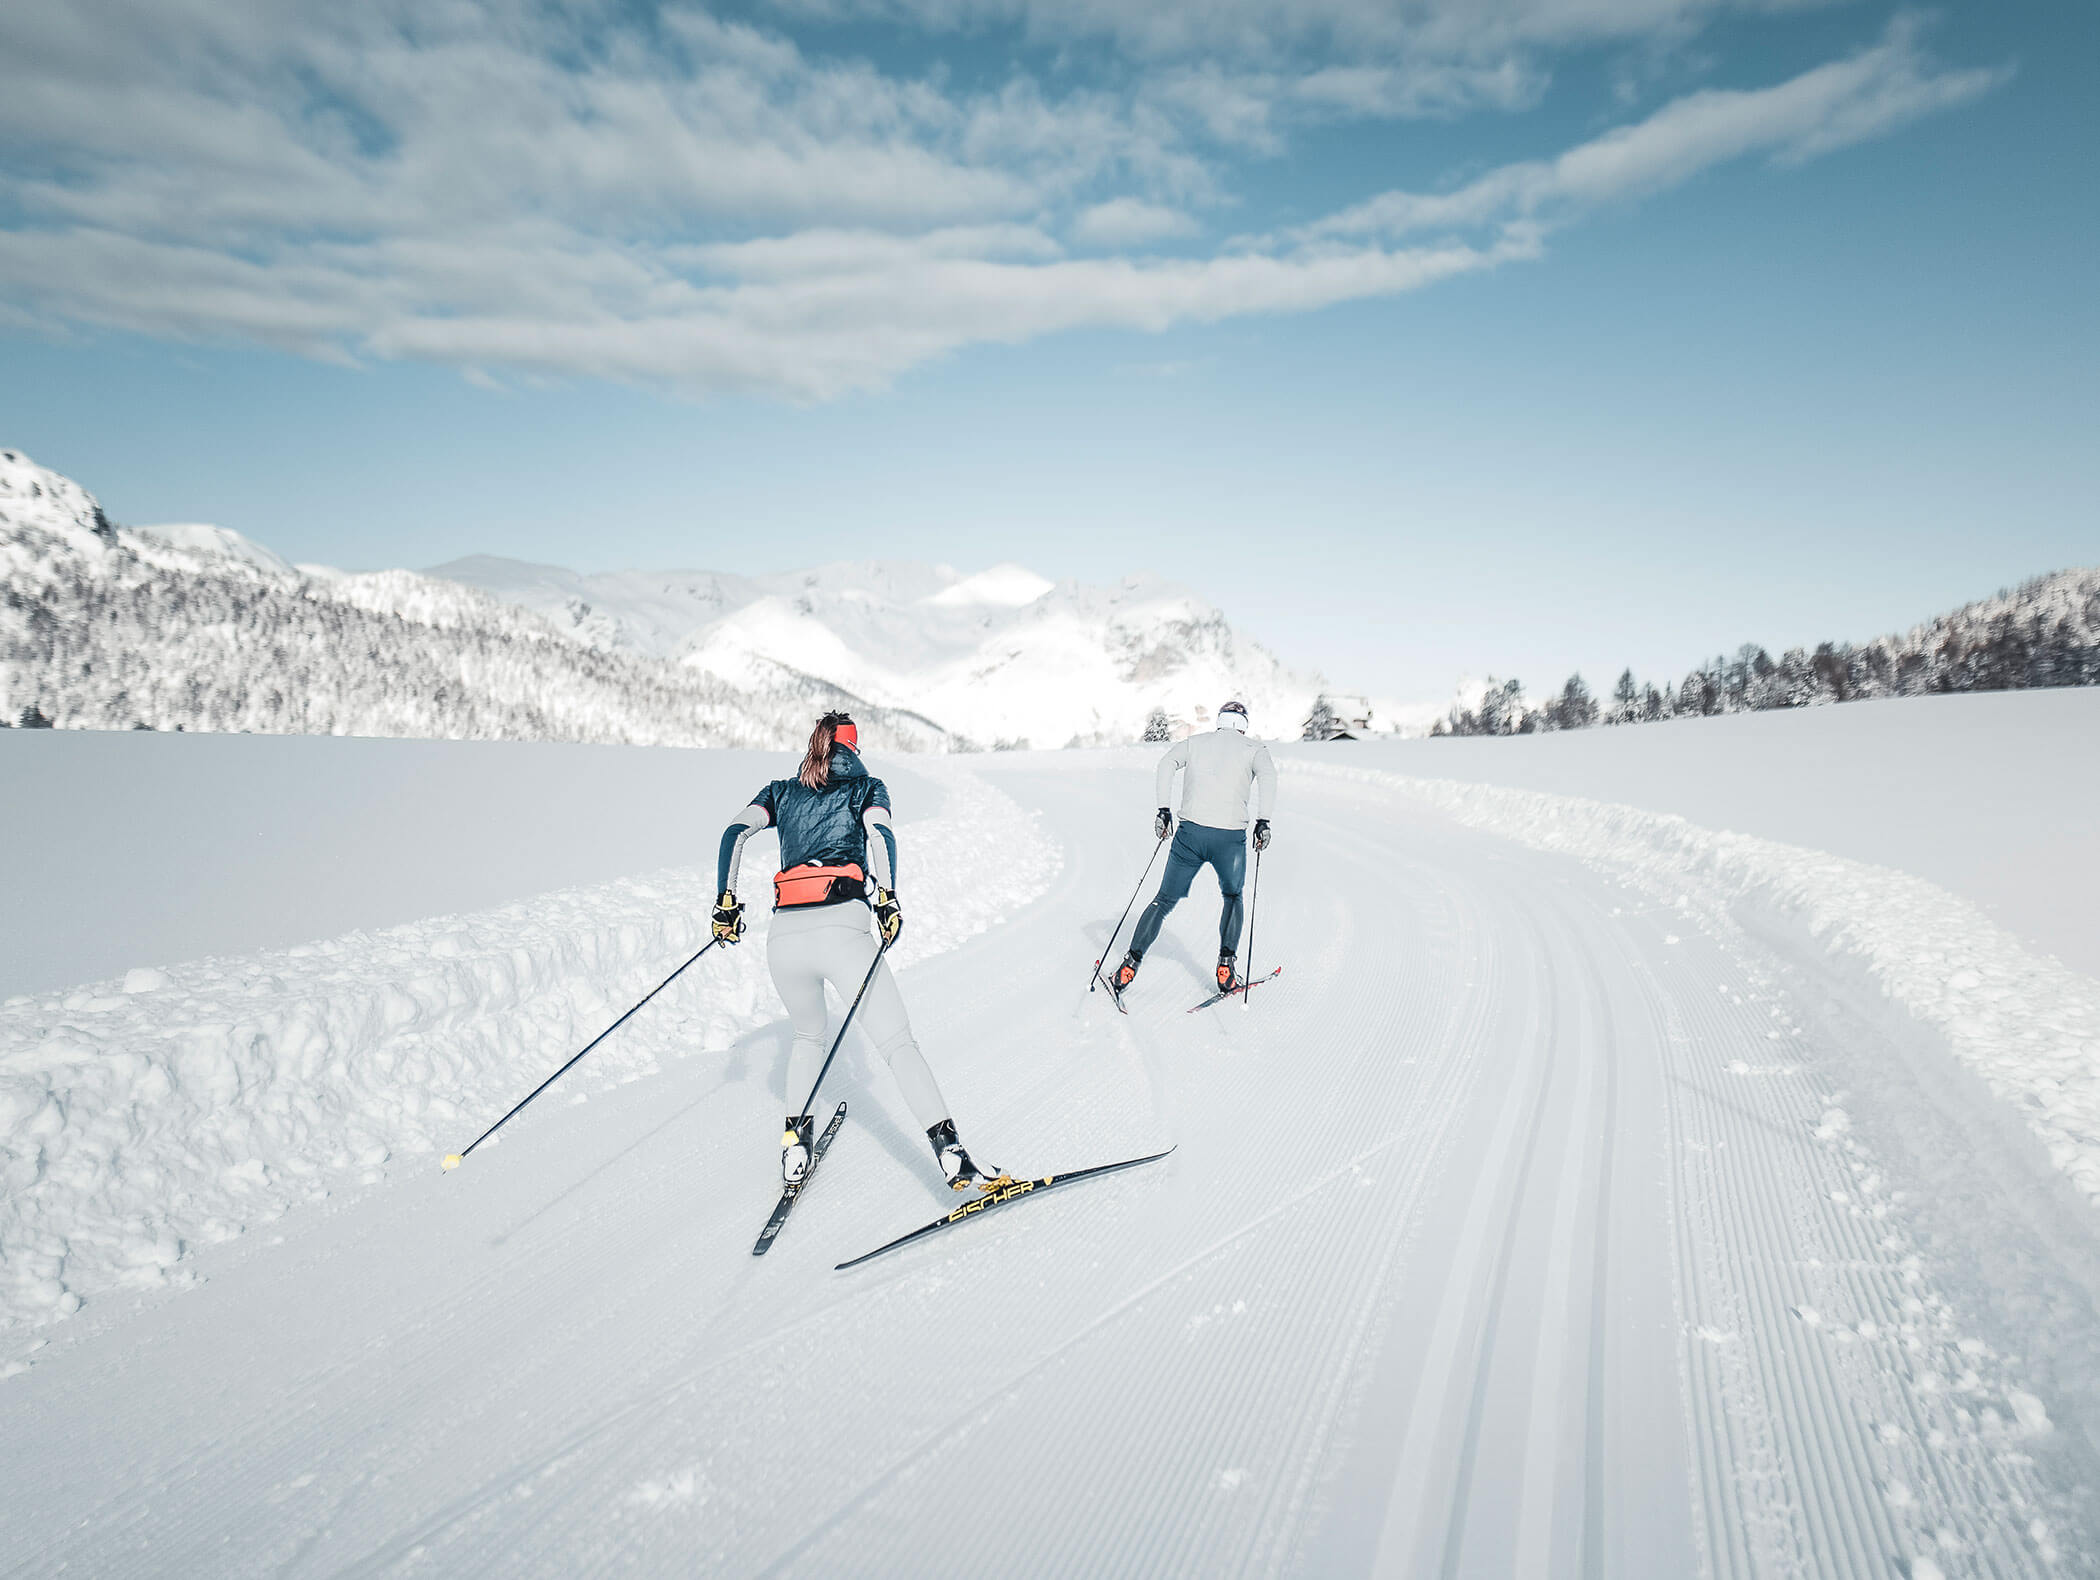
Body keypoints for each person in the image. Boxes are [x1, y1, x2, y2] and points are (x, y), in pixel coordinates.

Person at [712, 712, 995, 1192]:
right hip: (842, 928)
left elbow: (733, 834)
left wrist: (725, 904)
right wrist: (887, 897)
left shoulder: (780, 791)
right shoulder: (867, 788)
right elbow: (881, 835)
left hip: (783, 939)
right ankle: (952, 1155)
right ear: (854, 748)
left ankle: (795, 1151)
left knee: (807, 1037)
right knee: (898, 1045)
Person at [1111, 699, 1276, 998]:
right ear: (1243, 725)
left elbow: (1165, 764)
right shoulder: (1255, 750)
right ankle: (1226, 968)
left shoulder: (1195, 743)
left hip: (1190, 836)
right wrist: (1263, 821)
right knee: (1233, 896)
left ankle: (1130, 964)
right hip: (1230, 840)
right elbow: (1269, 778)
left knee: (1163, 900)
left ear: (1220, 721)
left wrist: (1164, 810)